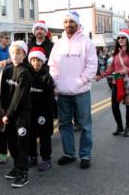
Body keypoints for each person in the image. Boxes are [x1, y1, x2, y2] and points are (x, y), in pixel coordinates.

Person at [48, 11, 98, 169]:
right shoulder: (58, 43)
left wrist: (79, 82)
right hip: (63, 93)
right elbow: (53, 66)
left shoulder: (87, 42)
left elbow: (92, 67)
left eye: (71, 22)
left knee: (85, 125)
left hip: (81, 92)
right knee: (64, 124)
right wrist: (56, 83)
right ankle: (69, 153)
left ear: (77, 24)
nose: (68, 25)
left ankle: (85, 155)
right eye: (66, 22)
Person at [2, 41, 33, 188]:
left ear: (24, 55)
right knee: (12, 142)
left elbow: (18, 97)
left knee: (21, 143)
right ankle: (16, 166)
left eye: (19, 53)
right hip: (9, 113)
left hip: (21, 114)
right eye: (13, 52)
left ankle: (23, 172)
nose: (15, 55)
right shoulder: (8, 70)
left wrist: (8, 114)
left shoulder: (25, 73)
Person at [95, 29, 129, 137]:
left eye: (123, 37)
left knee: (128, 106)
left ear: (127, 39)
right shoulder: (116, 54)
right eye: (119, 38)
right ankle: (120, 126)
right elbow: (111, 68)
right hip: (117, 82)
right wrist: (101, 76)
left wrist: (126, 70)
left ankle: (127, 127)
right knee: (114, 106)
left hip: (127, 82)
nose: (120, 39)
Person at [27, 47, 54, 171]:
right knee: (31, 135)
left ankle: (46, 158)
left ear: (43, 61)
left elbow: (50, 97)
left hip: (43, 113)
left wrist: (45, 110)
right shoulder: (27, 74)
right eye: (33, 60)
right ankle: (32, 156)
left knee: (44, 136)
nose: (36, 63)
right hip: (30, 111)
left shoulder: (47, 77)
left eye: (38, 60)